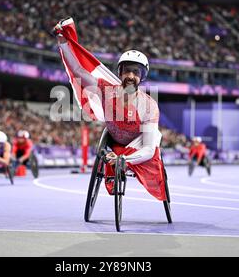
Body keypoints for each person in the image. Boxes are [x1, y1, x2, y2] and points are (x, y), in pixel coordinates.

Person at [53, 17, 166, 201]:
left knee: (151, 151)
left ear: (142, 77)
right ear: (120, 73)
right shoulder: (106, 90)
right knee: (110, 151)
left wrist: (124, 160)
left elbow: (147, 149)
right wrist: (63, 42)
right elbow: (78, 71)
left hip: (137, 145)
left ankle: (119, 161)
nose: (130, 76)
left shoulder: (149, 106)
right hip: (113, 142)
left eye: (135, 73)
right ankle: (113, 165)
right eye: (127, 71)